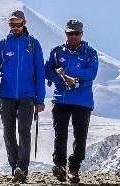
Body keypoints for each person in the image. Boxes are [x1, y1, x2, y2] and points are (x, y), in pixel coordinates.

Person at [0, 9, 45, 183]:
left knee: (24, 130)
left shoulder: (33, 44)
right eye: (12, 24)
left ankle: (23, 168)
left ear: (24, 23)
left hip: (28, 95)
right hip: (6, 95)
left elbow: (40, 73)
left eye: (18, 24)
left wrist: (40, 99)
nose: (15, 27)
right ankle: (15, 167)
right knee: (8, 132)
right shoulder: (3, 44)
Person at [45, 19, 99, 183]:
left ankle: (74, 168)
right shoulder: (56, 52)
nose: (73, 36)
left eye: (76, 33)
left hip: (82, 100)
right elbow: (48, 72)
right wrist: (63, 80)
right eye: (70, 33)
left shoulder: (90, 53)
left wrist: (69, 72)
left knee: (80, 135)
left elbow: (91, 74)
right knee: (60, 133)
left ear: (82, 34)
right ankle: (60, 165)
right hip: (61, 98)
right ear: (65, 33)